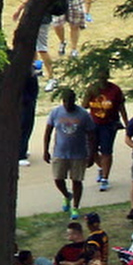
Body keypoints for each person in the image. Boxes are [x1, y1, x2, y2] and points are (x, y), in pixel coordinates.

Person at [41, 89, 98, 217]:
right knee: (58, 179)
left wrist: (92, 154)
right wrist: (45, 150)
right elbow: (48, 132)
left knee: (76, 180)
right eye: (66, 102)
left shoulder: (83, 115)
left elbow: (92, 135)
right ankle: (67, 195)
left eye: (71, 102)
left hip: (78, 154)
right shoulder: (56, 112)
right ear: (63, 101)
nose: (68, 105)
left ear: (74, 101)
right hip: (60, 152)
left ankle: (75, 207)